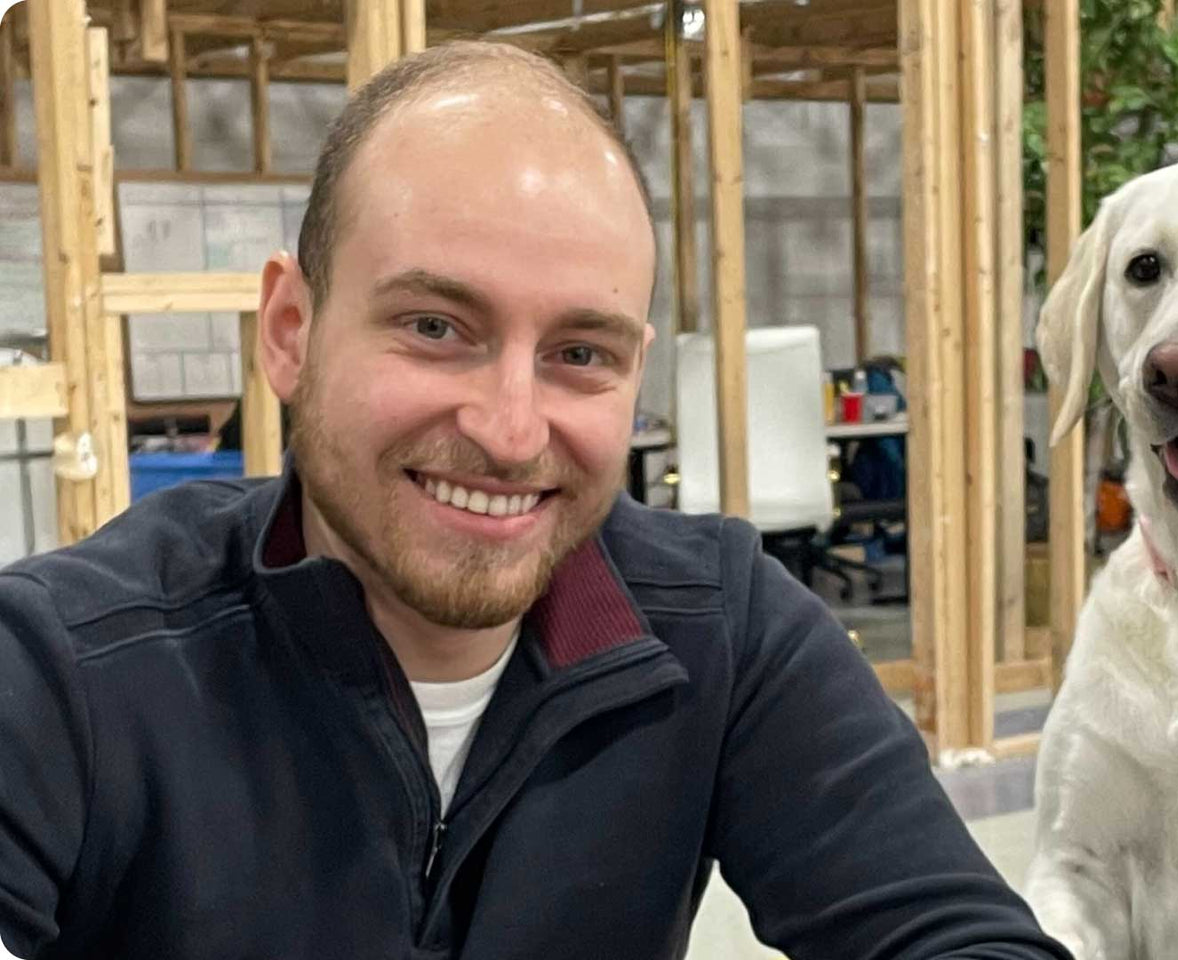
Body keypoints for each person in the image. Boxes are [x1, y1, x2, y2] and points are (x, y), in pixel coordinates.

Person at [0, 42, 1072, 960]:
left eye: (579, 352)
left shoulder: (720, 632)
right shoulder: (67, 667)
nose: (512, 430)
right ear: (289, 331)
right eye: (434, 326)